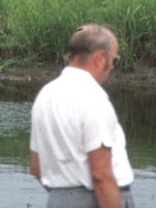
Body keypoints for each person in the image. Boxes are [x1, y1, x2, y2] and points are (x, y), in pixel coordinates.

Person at [29, 23, 135, 208]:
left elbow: (36, 167)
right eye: (114, 60)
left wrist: (67, 198)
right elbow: (101, 176)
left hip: (58, 200)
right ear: (100, 57)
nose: (111, 68)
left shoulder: (44, 96)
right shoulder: (93, 98)